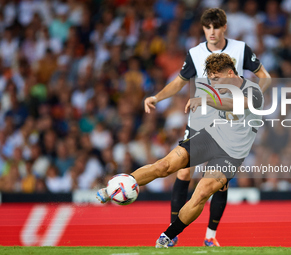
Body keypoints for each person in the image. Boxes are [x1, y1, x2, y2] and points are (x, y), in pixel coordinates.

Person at [97, 53, 264, 247]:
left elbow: (239, 104)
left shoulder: (253, 90)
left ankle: (168, 236)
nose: (214, 84)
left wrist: (208, 101)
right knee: (165, 166)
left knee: (201, 193)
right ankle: (114, 187)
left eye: (216, 79)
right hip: (211, 137)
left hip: (232, 153)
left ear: (230, 72)